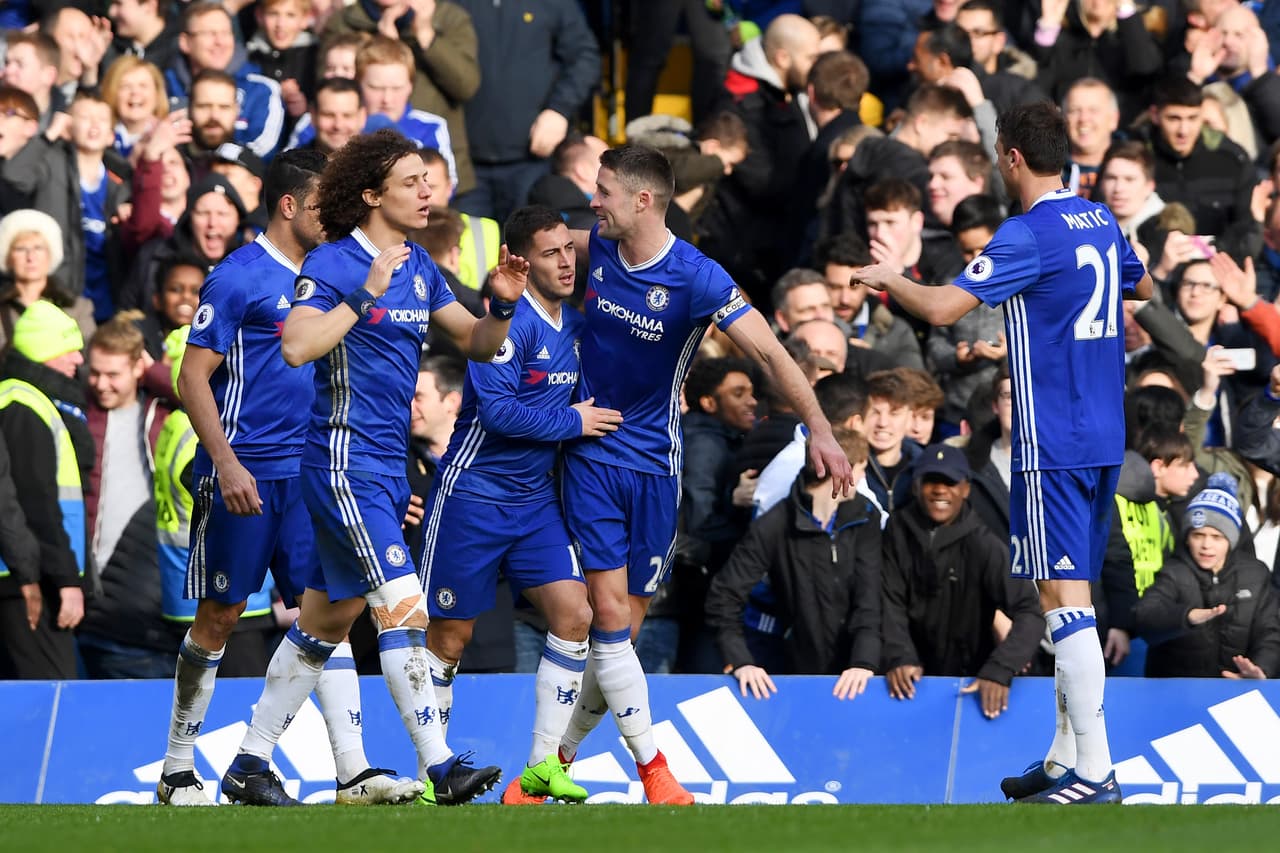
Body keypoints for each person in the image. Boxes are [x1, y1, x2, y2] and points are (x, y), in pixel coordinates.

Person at [851, 101, 1153, 804]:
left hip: (1052, 438)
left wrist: (890, 276)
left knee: (1061, 597)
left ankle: (1097, 771)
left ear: (1010, 155)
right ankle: (1064, 754)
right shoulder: (1100, 219)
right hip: (1105, 431)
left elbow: (941, 309)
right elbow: (1134, 279)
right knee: (1064, 597)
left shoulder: (1027, 233)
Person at [222, 129, 521, 807]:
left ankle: (248, 762)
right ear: (370, 193)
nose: (427, 191)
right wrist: (362, 295)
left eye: (428, 179)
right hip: (341, 460)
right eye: (412, 181)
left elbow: (477, 342)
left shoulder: (418, 263)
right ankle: (440, 762)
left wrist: (500, 303)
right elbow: (296, 346)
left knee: (327, 620)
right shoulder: (331, 263)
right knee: (403, 606)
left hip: (388, 466)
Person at [554, 144, 853, 806]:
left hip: (656, 467)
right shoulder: (586, 247)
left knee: (621, 636)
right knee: (606, 614)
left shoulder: (697, 276)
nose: (592, 201)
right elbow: (525, 271)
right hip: (592, 457)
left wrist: (822, 429)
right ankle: (655, 771)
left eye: (603, 191)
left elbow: (772, 353)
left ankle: (553, 760)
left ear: (641, 200)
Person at [156, 149, 419, 807]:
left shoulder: (336, 275)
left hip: (315, 474)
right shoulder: (239, 277)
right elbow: (191, 377)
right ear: (289, 205)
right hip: (246, 474)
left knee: (324, 614)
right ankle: (177, 767)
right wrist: (226, 463)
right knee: (219, 614)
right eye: (323, 203)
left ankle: (352, 770)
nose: (334, 215)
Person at [420, 205, 620, 806]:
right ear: (520, 262)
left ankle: (539, 770)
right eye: (550, 252)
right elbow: (500, 414)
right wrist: (573, 421)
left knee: (575, 615)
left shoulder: (579, 327)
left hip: (534, 505)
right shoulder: (507, 328)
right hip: (472, 497)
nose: (565, 261)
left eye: (568, 249)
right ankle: (436, 773)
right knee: (449, 638)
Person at [706, 426, 880, 695]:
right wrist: (741, 661)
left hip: (857, 677)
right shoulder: (776, 524)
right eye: (860, 469)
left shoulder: (865, 517)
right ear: (839, 469)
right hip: (796, 674)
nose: (862, 477)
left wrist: (864, 661)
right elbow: (724, 596)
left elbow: (870, 597)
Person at [880, 443, 1045, 720]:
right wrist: (898, 655)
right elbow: (887, 600)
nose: (940, 489)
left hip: (972, 687)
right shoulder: (896, 531)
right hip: (907, 686)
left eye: (950, 482)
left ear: (966, 489)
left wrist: (1000, 668)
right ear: (917, 486)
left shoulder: (984, 544)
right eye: (932, 480)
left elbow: (1031, 610)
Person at [0, 301, 89, 680]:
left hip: (28, 574)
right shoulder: (24, 405)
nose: (78, 358)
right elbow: (38, 506)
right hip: (28, 580)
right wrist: (67, 581)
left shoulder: (22, 398)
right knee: (50, 694)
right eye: (68, 346)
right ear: (44, 351)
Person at [1135, 473, 1280, 679]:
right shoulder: (1174, 571)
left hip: (1239, 689)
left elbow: (1270, 633)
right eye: (1198, 535)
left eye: (1217, 537)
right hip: (1181, 693)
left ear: (1231, 540)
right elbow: (1144, 617)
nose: (1206, 545)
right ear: (1187, 538)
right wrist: (1186, 616)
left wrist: (1261, 671)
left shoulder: (1256, 574)